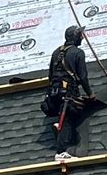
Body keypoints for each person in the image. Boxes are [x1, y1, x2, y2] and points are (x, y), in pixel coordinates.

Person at [41, 24, 101, 155]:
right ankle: (61, 152)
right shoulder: (78, 53)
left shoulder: (56, 52)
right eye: (81, 35)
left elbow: (50, 75)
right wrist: (90, 94)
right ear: (75, 37)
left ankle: (59, 127)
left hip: (54, 93)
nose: (82, 38)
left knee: (64, 116)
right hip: (68, 92)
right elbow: (83, 76)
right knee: (68, 118)